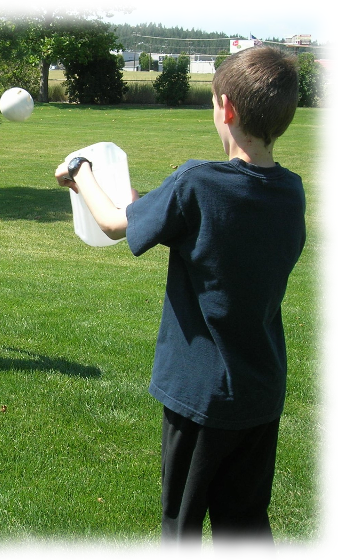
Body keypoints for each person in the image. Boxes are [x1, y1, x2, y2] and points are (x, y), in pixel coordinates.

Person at [54, 46, 304, 546]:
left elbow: (113, 225)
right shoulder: (289, 191)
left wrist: (79, 171)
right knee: (247, 526)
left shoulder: (197, 182)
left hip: (200, 395)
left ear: (227, 109)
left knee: (182, 525)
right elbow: (177, 216)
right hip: (259, 393)